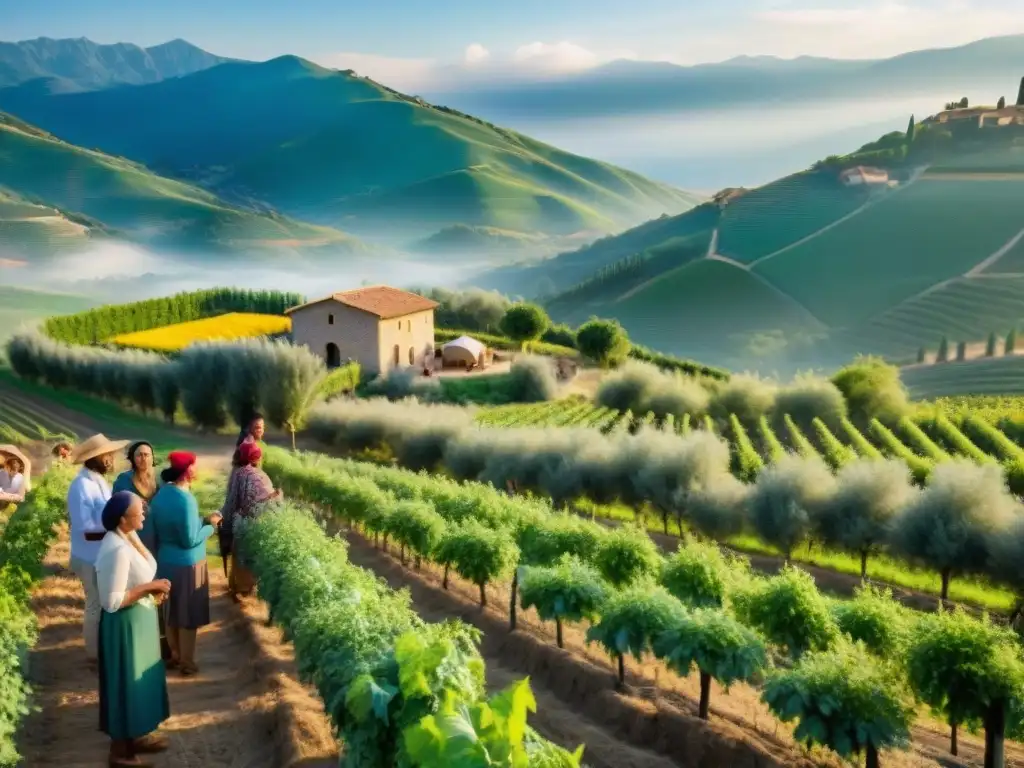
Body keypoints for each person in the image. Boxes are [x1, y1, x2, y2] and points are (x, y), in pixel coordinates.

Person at [95, 492, 171, 767]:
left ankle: (136, 735)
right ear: (122, 518)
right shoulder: (116, 549)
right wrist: (148, 589)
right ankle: (120, 753)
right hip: (124, 628)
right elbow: (112, 601)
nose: (144, 514)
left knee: (141, 684)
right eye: (139, 510)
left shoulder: (128, 536)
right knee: (126, 686)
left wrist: (151, 590)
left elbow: (143, 572)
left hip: (138, 623)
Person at [148, 451, 221, 675]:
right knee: (188, 614)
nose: (196, 469)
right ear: (187, 471)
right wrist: (211, 526)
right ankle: (187, 662)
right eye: (194, 466)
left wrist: (200, 521)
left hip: (165, 561)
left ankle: (176, 654)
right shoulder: (185, 499)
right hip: (188, 564)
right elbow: (189, 539)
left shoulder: (161, 494)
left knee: (171, 612)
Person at [67, 434, 129, 669]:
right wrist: (118, 531)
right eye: (106, 455)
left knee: (102, 603)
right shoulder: (81, 486)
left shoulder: (99, 481)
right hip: (88, 556)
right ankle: (94, 655)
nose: (110, 459)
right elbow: (85, 529)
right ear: (94, 458)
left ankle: (101, 650)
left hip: (99, 554)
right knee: (95, 603)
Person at [220, 440, 280, 601]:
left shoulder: (239, 473)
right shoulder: (260, 474)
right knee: (250, 557)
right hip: (259, 523)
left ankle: (239, 588)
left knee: (240, 556)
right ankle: (245, 589)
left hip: (244, 522)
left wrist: (226, 525)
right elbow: (270, 499)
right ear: (255, 458)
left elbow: (232, 501)